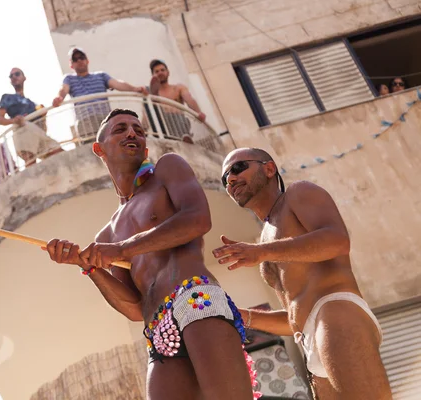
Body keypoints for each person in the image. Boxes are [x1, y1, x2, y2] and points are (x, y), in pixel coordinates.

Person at [45, 109, 259, 400]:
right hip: (157, 327)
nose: (132, 133)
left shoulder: (168, 169)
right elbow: (135, 308)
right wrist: (89, 267)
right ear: (99, 149)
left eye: (138, 129)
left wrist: (122, 250)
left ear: (145, 147)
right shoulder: (106, 235)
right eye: (120, 129)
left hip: (196, 298)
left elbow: (198, 220)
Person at [213, 148, 391, 400]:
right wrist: (242, 316)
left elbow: (337, 241)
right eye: (224, 179)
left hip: (335, 315)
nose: (230, 179)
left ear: (269, 168)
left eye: (238, 168)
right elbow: (294, 318)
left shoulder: (298, 194)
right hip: (308, 339)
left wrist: (260, 252)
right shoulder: (263, 237)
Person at [52, 48, 147, 143]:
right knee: (91, 151)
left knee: (112, 147)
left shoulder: (101, 76)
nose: (79, 60)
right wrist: (59, 98)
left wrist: (135, 89)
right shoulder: (69, 79)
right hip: (85, 123)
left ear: (87, 60)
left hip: (105, 119)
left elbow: (118, 84)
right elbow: (64, 89)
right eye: (75, 59)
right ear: (71, 65)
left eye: (81, 57)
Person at [0, 67, 62, 166]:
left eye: (17, 74)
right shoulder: (7, 97)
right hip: (22, 129)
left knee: (57, 151)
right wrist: (14, 120)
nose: (14, 77)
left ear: (24, 77)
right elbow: (0, 120)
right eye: (11, 76)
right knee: (31, 162)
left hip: (36, 131)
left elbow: (41, 123)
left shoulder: (31, 103)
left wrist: (43, 114)